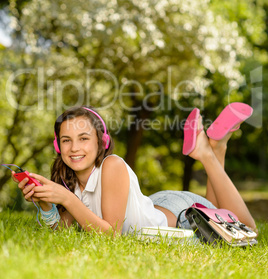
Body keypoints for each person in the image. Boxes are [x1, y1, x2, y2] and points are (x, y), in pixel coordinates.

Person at [12, 104, 257, 234]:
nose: (74, 147)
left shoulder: (113, 165)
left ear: (102, 142)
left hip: (179, 214)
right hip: (158, 204)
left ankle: (207, 154)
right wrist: (46, 205)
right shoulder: (72, 181)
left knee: (247, 230)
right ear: (58, 145)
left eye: (84, 138)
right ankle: (219, 145)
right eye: (66, 140)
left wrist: (66, 198)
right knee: (216, 208)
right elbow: (60, 229)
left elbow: (110, 235)